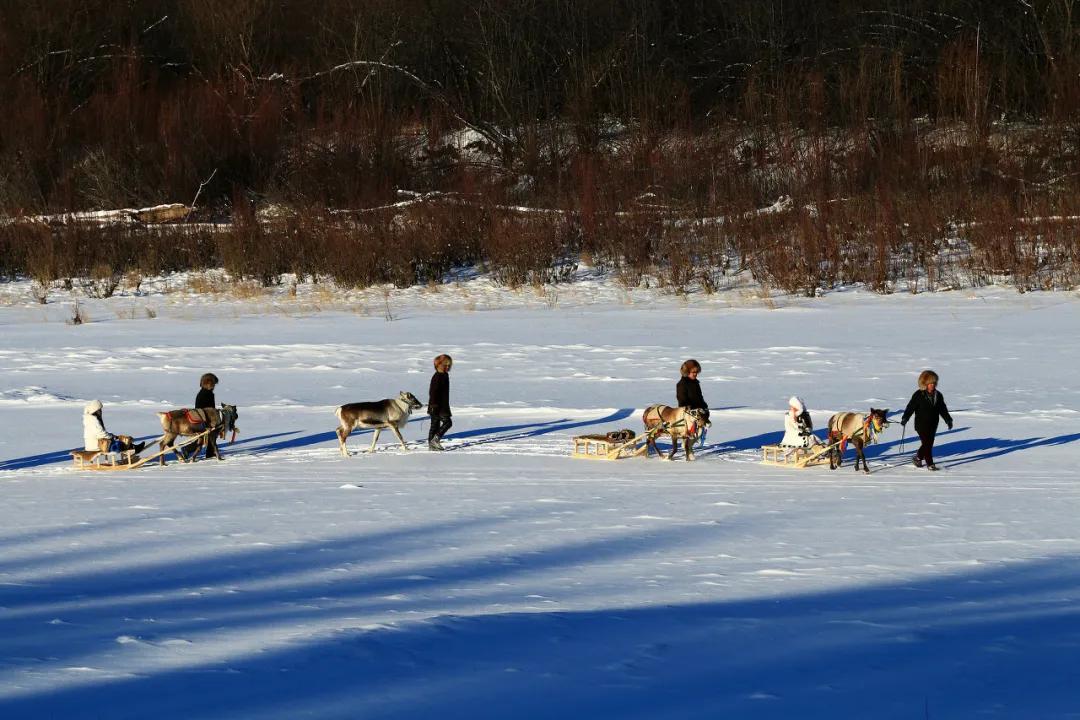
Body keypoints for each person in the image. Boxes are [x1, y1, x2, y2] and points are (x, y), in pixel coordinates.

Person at [900, 369, 953, 471]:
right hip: (921, 424)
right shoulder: (918, 395)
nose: (932, 385)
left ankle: (918, 458)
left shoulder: (938, 395)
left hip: (933, 424)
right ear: (925, 383)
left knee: (928, 443)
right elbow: (910, 407)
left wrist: (948, 420)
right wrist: (905, 417)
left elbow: (942, 409)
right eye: (930, 383)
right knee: (927, 444)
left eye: (934, 383)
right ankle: (930, 464)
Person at [427, 354, 453, 451]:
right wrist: (433, 404)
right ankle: (434, 440)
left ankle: (432, 444)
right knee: (447, 423)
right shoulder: (438, 376)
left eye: (449, 365)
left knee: (435, 424)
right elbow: (433, 392)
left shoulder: (445, 375)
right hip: (437, 405)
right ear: (438, 365)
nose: (447, 367)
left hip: (442, 405)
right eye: (445, 365)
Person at [195, 372, 219, 460]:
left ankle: (210, 451)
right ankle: (210, 452)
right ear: (209, 384)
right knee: (212, 433)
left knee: (210, 435)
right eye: (214, 384)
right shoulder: (207, 394)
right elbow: (208, 409)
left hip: (203, 417)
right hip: (204, 419)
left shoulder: (203, 393)